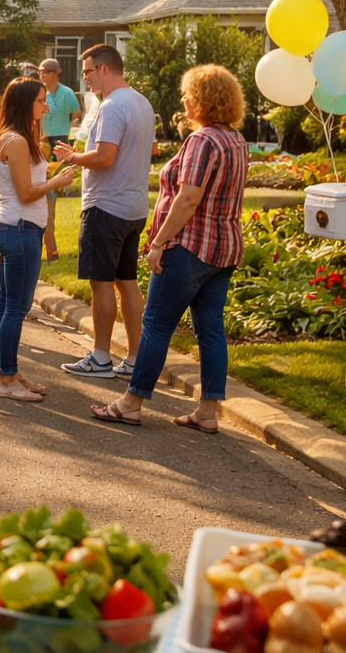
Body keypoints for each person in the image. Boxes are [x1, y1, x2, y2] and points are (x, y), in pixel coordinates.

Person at [90, 65, 249, 430]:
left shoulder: (203, 141)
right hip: (224, 249)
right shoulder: (235, 139)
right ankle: (207, 412)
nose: (183, 100)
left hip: (190, 246)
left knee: (156, 326)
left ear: (204, 99)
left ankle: (131, 402)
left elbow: (189, 197)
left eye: (188, 94)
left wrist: (159, 241)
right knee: (211, 330)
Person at [53, 43, 156, 378]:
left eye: (86, 72)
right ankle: (136, 357)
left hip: (105, 207)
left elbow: (103, 157)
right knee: (127, 282)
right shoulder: (141, 102)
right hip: (134, 207)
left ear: (103, 69)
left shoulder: (111, 106)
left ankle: (100, 357)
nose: (84, 80)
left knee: (101, 283)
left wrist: (72, 157)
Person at [0, 78, 76, 400]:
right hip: (19, 228)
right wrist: (57, 182)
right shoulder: (17, 141)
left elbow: (23, 181)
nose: (47, 106)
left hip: (14, 227)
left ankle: (2, 372)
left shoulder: (14, 137)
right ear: (26, 103)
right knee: (15, 308)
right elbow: (26, 193)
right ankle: (7, 380)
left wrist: (53, 170)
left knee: (6, 305)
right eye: (41, 100)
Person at [39, 58, 82, 261]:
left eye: (46, 71)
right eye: (40, 71)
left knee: (54, 181)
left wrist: (72, 128)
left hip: (61, 138)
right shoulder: (39, 93)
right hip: (42, 139)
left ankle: (51, 248)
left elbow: (77, 112)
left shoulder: (66, 93)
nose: (42, 75)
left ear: (57, 72)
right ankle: (48, 248)